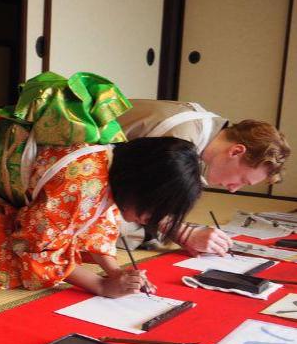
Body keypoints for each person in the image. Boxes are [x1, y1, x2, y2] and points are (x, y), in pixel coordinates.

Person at [0, 72, 202, 296]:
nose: (150, 220)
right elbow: (34, 248)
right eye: (152, 210)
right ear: (140, 184)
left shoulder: (117, 162)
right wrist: (99, 285)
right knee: (2, 270)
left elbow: (96, 225)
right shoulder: (83, 183)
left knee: (62, 253)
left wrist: (115, 271)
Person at [117, 99, 291, 255]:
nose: (233, 189)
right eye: (242, 180)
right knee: (130, 230)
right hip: (93, 173)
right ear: (236, 151)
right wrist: (185, 234)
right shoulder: (181, 138)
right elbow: (141, 199)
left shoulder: (209, 129)